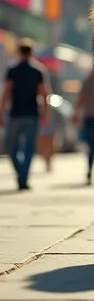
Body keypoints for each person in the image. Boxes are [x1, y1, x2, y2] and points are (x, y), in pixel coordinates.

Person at [0, 38, 50, 190]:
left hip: (15, 114)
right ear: (31, 53)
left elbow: (6, 93)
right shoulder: (38, 71)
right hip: (32, 114)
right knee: (29, 148)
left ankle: (21, 176)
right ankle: (23, 176)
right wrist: (45, 113)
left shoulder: (12, 71)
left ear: (19, 52)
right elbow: (44, 93)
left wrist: (1, 112)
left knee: (10, 147)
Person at [72, 71, 94, 185]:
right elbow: (81, 99)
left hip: (93, 119)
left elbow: (80, 99)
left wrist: (76, 113)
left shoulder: (87, 82)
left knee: (91, 146)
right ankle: (92, 168)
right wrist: (76, 113)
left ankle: (91, 169)